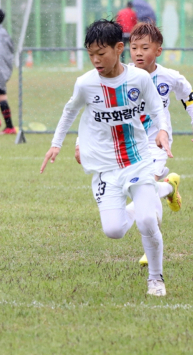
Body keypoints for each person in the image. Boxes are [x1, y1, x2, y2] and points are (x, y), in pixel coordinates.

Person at [41, 19, 172, 297]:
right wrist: (56, 145)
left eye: (101, 53)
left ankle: (155, 279)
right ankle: (162, 189)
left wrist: (162, 131)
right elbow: (69, 112)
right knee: (113, 230)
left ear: (119, 48)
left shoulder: (140, 79)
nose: (96, 60)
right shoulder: (86, 84)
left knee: (148, 222)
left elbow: (157, 107)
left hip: (137, 159)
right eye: (91, 54)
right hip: (104, 167)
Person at [128, 22, 193, 265]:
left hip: (158, 144)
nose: (138, 53)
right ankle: (170, 187)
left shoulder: (169, 77)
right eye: (134, 47)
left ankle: (151, 246)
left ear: (158, 51)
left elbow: (187, 96)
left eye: (145, 47)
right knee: (140, 190)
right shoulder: (123, 75)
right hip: (129, 145)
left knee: (146, 188)